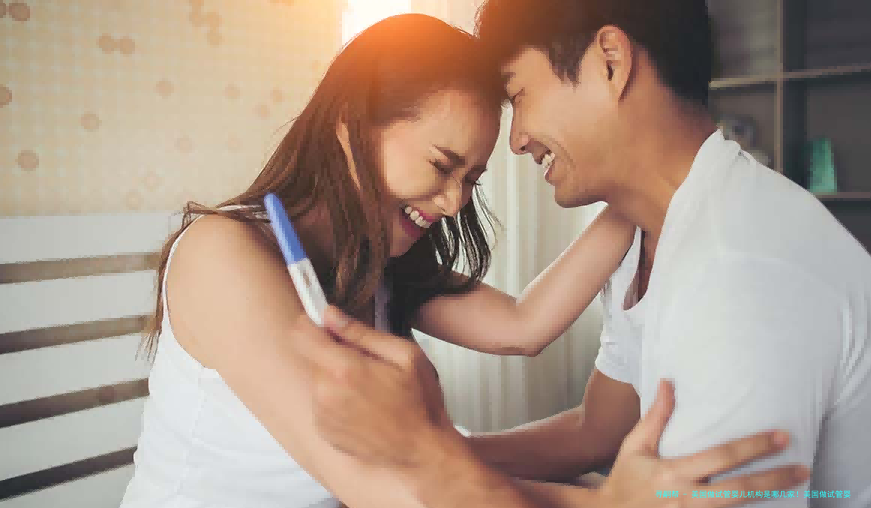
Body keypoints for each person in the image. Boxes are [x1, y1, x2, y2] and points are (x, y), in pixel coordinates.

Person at [120, 12, 808, 508]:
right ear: (350, 125)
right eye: (441, 165)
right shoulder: (222, 256)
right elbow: (381, 488)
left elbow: (524, 326)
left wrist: (642, 185)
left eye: (471, 180)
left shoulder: (377, 264)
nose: (453, 203)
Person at [307, 0, 871, 507]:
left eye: (520, 96)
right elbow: (597, 432)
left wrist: (432, 462)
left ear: (610, 61)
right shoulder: (649, 238)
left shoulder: (739, 274)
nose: (517, 139)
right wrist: (429, 454)